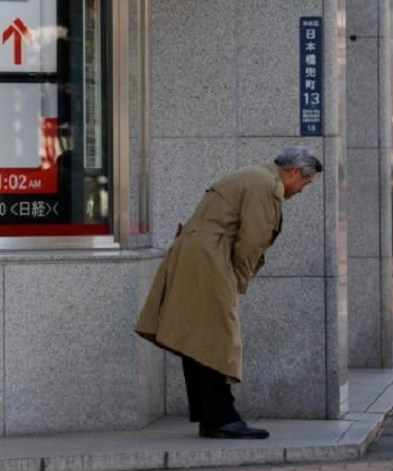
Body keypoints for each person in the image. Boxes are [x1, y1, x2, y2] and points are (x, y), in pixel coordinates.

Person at [135, 146, 323, 440]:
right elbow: (253, 240)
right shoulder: (267, 184)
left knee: (198, 336)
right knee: (216, 337)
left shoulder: (255, 174)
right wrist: (237, 281)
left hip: (198, 254)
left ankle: (213, 415)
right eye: (305, 183)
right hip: (209, 258)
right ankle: (221, 417)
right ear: (294, 171)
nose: (302, 190)